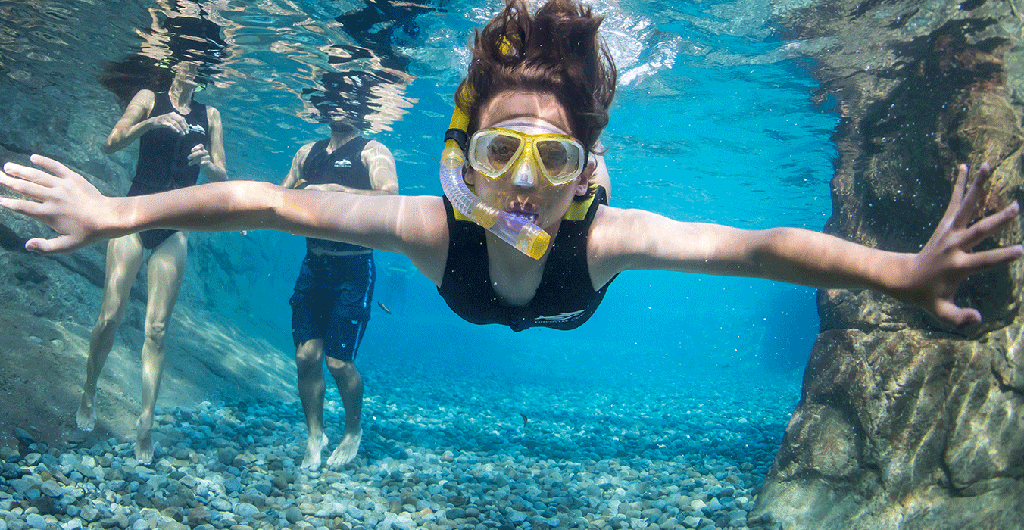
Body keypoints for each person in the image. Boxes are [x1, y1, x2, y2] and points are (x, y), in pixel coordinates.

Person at [1, 0, 1020, 363]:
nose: (522, 185)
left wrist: (894, 272)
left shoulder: (601, 234)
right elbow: (267, 200)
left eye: (554, 159)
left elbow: (753, 248)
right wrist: (115, 209)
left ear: (586, 178)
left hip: (575, 267)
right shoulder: (433, 226)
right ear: (463, 163)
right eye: (499, 154)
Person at [74, 59, 227, 464]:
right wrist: (149, 124)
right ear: (173, 66)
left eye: (200, 63)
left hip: (175, 224)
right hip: (134, 215)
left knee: (157, 329)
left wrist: (210, 166)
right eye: (187, 62)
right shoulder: (148, 98)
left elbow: (223, 178)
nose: (193, 69)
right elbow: (112, 142)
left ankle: (146, 424)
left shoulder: (210, 115)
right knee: (110, 314)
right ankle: (88, 391)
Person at [281, 113, 398, 470]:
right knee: (305, 357)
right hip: (313, 264)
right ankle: (315, 436)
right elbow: (281, 195)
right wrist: (246, 220)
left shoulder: (373, 151)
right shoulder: (307, 152)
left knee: (338, 362)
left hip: (354, 267)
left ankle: (352, 430)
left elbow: (390, 196)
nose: (340, 110)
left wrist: (338, 192)